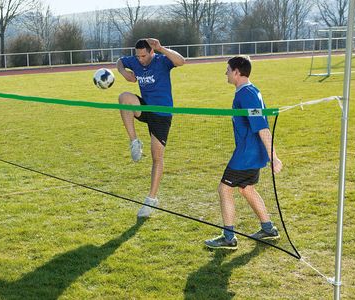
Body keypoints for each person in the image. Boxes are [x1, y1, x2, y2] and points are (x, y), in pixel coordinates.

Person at [204, 56, 283, 250]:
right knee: (247, 189)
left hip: (246, 155)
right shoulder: (248, 91)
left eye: (228, 70)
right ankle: (268, 228)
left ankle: (229, 237)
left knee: (224, 189)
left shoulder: (246, 94)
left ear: (237, 72)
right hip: (252, 154)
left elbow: (262, 127)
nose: (226, 73)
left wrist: (274, 157)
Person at [116, 38, 185, 218]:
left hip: (162, 115)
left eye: (144, 56)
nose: (140, 59)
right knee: (124, 98)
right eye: (137, 56)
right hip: (146, 108)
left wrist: (161, 48)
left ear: (151, 52)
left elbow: (181, 61)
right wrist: (124, 72)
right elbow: (120, 62)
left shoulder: (161, 61)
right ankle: (134, 141)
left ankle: (151, 199)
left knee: (157, 156)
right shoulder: (135, 60)